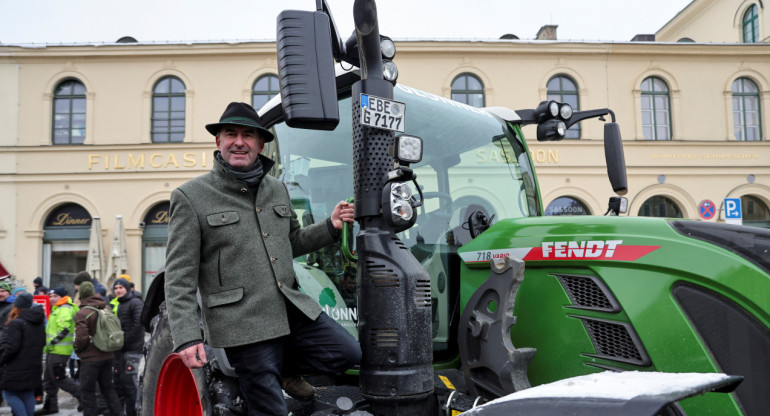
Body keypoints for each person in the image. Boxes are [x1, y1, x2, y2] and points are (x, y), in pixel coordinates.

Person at [165, 102, 361, 416]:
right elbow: (179, 277)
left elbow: (291, 242)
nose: (239, 141)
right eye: (230, 134)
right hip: (242, 324)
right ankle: (269, 370)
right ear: (219, 142)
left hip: (289, 309)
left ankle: (280, 368)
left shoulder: (277, 190)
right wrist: (187, 337)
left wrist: (330, 226)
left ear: (260, 144)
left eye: (248, 135)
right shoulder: (191, 197)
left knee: (347, 351)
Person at [73, 282, 123, 416]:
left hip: (90, 359)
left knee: (87, 392)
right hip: (108, 355)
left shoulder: (82, 313)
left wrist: (77, 349)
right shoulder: (105, 307)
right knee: (108, 389)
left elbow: (82, 338)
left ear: (81, 295)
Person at [0, 293, 46, 416]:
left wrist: (2, 360)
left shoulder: (17, 323)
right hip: (34, 366)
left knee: (8, 393)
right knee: (27, 392)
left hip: (17, 366)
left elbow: (12, 348)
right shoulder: (39, 322)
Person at [38, 287, 80, 415]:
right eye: (50, 296)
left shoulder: (65, 309)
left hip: (60, 351)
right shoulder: (58, 309)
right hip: (53, 350)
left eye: (55, 296)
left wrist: (52, 342)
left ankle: (86, 398)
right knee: (48, 379)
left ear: (63, 296)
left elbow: (65, 329)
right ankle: (51, 406)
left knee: (59, 378)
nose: (51, 299)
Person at [111, 277, 143, 416]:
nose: (118, 290)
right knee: (120, 382)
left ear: (128, 288)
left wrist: (125, 339)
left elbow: (138, 324)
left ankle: (135, 412)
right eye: (116, 288)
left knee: (130, 383)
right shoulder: (121, 303)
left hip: (132, 349)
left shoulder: (135, 302)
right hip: (121, 349)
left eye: (120, 288)